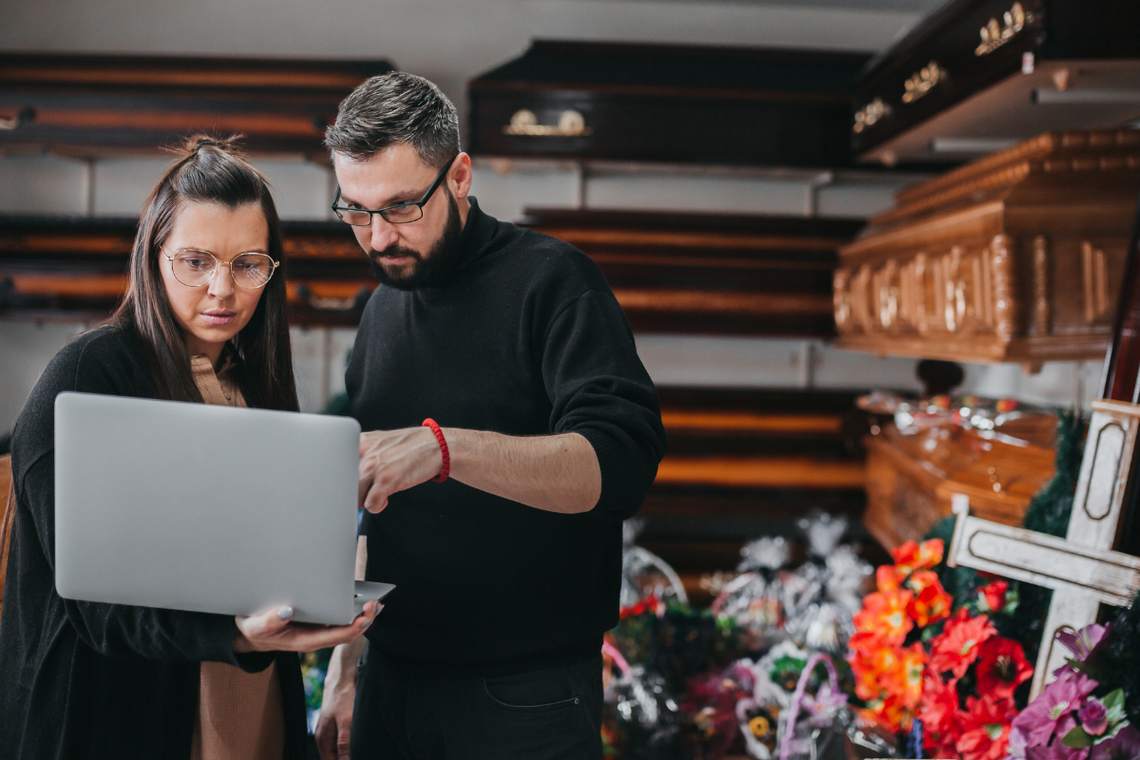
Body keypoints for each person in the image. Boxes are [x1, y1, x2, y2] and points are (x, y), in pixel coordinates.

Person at [314, 73, 666, 760]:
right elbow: (367, 509)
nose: (379, 237)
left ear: (460, 176)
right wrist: (346, 670)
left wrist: (443, 450)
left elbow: (619, 465)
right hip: (389, 682)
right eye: (355, 211)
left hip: (523, 696)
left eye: (401, 207)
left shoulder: (554, 282)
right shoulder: (380, 309)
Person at [0, 136, 379, 760]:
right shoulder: (86, 375)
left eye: (248, 262)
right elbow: (95, 605)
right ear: (153, 258)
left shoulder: (251, 379)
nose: (223, 289)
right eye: (196, 261)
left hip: (245, 701)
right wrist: (234, 633)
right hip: (119, 715)